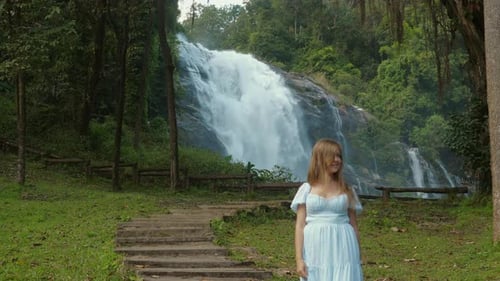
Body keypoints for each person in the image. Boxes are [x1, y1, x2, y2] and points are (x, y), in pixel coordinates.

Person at [291, 138, 363, 280]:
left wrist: (358, 256)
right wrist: (299, 259)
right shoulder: (307, 189)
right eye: (332, 156)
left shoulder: (347, 190)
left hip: (344, 243)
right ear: (320, 158)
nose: (337, 160)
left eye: (339, 156)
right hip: (315, 246)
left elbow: (354, 225)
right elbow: (300, 226)